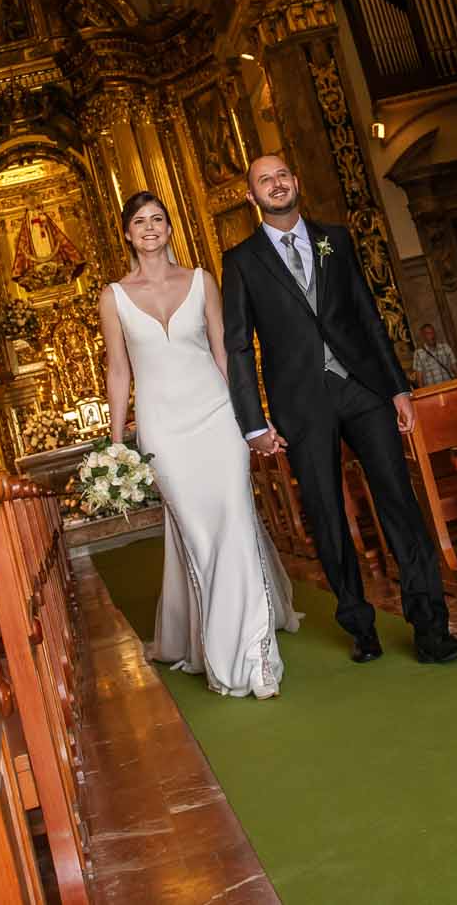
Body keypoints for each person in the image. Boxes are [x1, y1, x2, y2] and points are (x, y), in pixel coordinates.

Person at [221, 154, 457, 666]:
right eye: (264, 180)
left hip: (362, 387)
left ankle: (431, 629)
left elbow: (366, 313)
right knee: (326, 512)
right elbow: (239, 346)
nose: (276, 184)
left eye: (282, 175)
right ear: (251, 197)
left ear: (296, 182)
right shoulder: (241, 261)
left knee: (399, 501)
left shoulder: (334, 238)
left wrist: (397, 387)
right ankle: (360, 625)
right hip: (299, 402)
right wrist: (253, 422)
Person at [100, 191, 300, 698]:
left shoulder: (201, 281)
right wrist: (116, 443)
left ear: (170, 228)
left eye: (158, 219)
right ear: (127, 234)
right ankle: (219, 644)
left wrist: (251, 420)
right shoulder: (113, 296)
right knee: (201, 539)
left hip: (217, 417)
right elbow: (118, 371)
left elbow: (225, 353)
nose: (150, 228)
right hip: (163, 430)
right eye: (140, 221)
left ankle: (255, 658)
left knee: (236, 525)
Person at [410, 322, 457, 386]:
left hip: (449, 385)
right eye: (428, 333)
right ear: (423, 336)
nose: (432, 335)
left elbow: (455, 368)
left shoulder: (445, 347)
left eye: (433, 332)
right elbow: (419, 378)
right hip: (433, 389)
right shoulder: (418, 354)